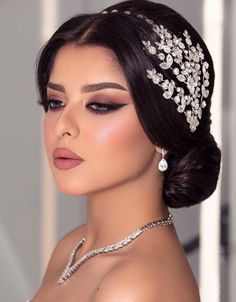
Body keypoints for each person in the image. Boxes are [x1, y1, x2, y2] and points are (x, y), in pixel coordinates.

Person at [30, 0, 221, 301]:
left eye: (101, 105)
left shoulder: (134, 284)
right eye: (56, 102)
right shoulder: (73, 247)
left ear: (162, 128)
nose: (62, 126)